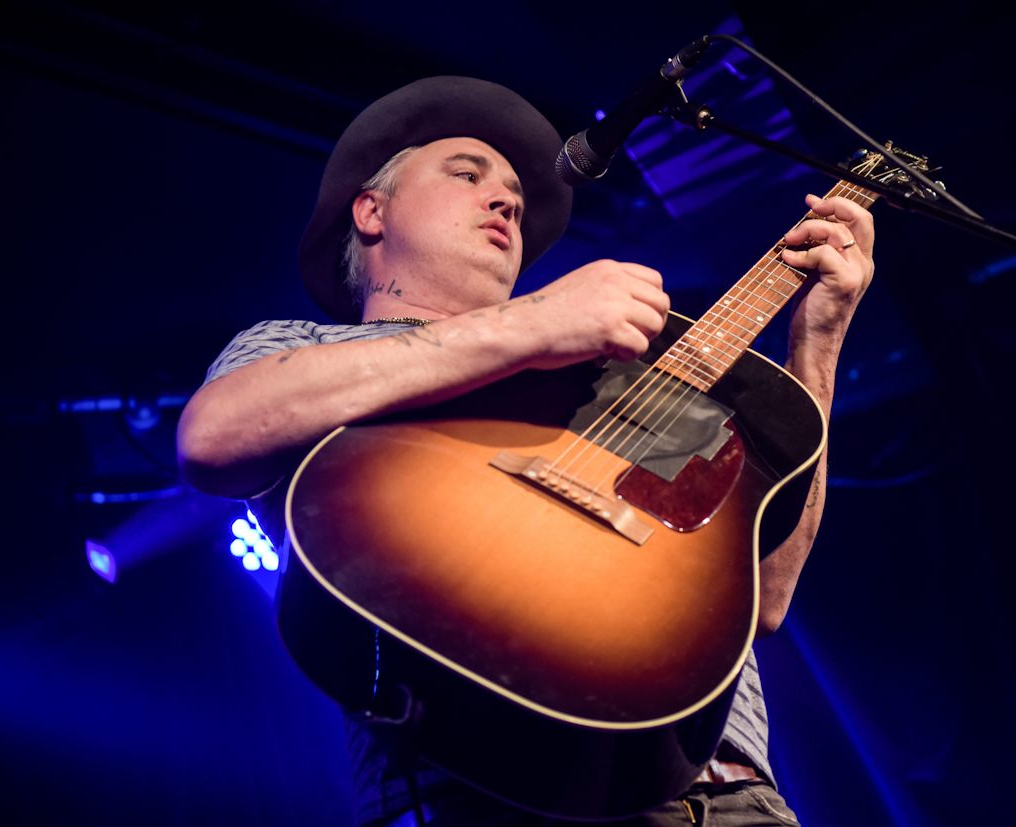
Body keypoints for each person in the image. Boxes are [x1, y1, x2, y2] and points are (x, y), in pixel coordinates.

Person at [178, 76, 874, 826]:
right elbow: (213, 436)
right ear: (372, 210)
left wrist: (819, 341)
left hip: (735, 796)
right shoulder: (302, 348)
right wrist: (532, 326)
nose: (507, 199)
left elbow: (763, 598)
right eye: (467, 173)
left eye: (514, 188)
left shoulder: (604, 378)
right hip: (475, 784)